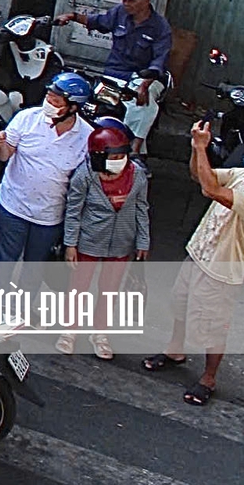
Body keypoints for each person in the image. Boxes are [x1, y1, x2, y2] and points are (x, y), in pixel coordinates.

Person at [143, 133, 244, 406]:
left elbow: (211, 190)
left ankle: (209, 377)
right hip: (199, 252)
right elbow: (200, 175)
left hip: (221, 269)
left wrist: (199, 146)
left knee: (214, 327)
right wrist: (198, 151)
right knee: (180, 305)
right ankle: (175, 350)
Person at [0, 72, 94, 288]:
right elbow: (4, 155)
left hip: (49, 217)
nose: (49, 103)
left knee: (34, 270)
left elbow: (84, 183)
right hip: (13, 206)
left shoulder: (87, 137)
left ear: (73, 107)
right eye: (48, 98)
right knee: (2, 262)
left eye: (56, 101)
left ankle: (20, 314)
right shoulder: (27, 118)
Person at [57, 119, 149, 360]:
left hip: (121, 243)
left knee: (109, 291)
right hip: (89, 241)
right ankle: (69, 332)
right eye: (113, 158)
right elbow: (73, 211)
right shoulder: (84, 176)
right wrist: (70, 244)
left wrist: (143, 241)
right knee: (78, 289)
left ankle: (100, 334)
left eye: (122, 157)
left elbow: (142, 208)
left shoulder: (138, 176)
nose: (119, 162)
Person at [57, 0, 173, 134]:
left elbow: (159, 61)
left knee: (141, 107)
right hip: (115, 73)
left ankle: (134, 147)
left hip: (143, 77)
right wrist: (72, 16)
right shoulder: (119, 13)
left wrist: (144, 85)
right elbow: (97, 21)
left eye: (131, 0)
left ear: (145, 1)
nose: (125, 3)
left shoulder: (160, 27)